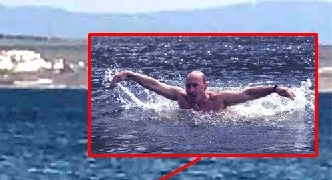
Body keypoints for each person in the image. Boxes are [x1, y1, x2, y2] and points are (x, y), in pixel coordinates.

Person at [109, 70, 295, 112]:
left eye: (195, 85)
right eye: (188, 85)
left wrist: (274, 89)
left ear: (205, 86)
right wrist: (129, 75)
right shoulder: (180, 97)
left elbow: (247, 94)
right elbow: (155, 85)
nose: (190, 90)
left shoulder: (219, 99)